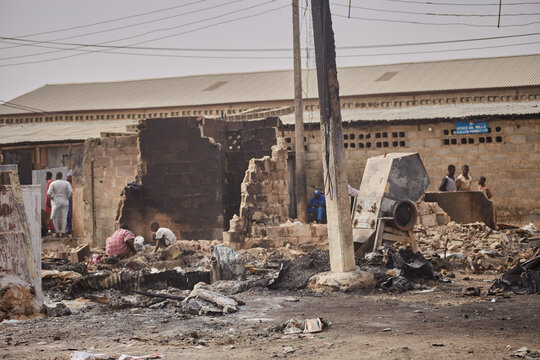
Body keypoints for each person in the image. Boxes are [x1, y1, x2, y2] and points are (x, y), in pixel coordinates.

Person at [47, 172, 72, 237]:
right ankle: (63, 232)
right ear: (61, 176)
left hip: (56, 202)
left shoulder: (53, 183)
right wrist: (67, 197)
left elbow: (49, 193)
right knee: (64, 217)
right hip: (65, 201)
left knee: (55, 217)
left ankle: (57, 232)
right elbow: (71, 191)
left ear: (56, 176)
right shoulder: (66, 183)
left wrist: (52, 198)